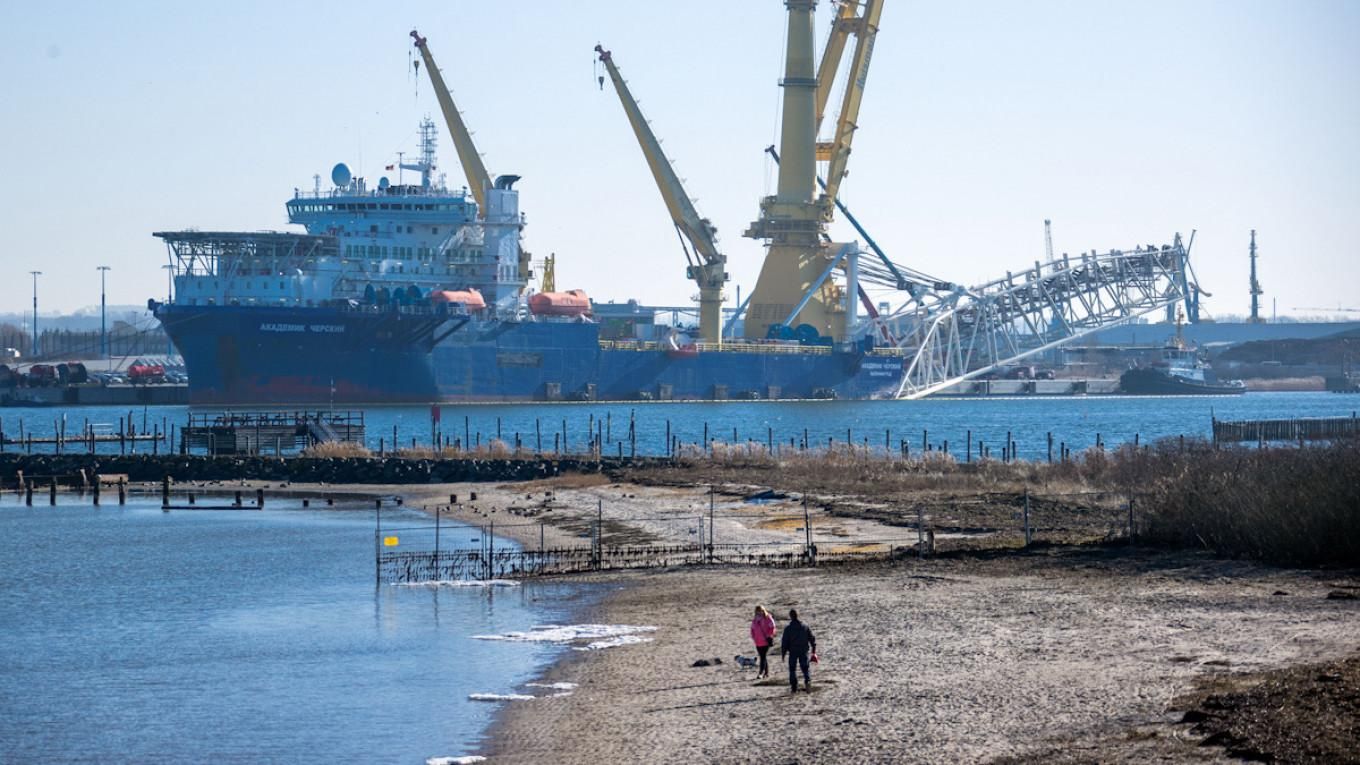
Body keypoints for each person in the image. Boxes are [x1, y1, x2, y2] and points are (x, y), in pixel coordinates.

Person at [779, 608, 816, 693]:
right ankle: (808, 681)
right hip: (803, 650)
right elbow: (812, 638)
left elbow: (784, 642)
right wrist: (814, 649)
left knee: (792, 669)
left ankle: (794, 686)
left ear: (790, 617)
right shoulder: (805, 626)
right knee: (805, 668)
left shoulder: (788, 629)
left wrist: (783, 654)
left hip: (793, 651)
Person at [750, 605, 777, 679]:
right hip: (758, 641)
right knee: (763, 657)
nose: (759, 612)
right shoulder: (755, 619)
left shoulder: (768, 618)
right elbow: (752, 629)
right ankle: (767, 673)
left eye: (760, 610)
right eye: (757, 611)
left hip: (765, 640)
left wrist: (769, 635)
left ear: (763, 610)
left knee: (762, 657)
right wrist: (754, 637)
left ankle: (760, 673)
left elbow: (773, 627)